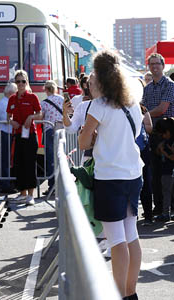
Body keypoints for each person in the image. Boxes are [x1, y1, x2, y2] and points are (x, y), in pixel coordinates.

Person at [79, 50, 143, 300]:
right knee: (131, 235)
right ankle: (130, 292)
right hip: (133, 174)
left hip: (110, 177)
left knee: (117, 239)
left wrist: (96, 136)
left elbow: (84, 142)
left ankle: (118, 295)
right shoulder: (132, 102)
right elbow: (135, 133)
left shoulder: (99, 105)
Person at [142, 53, 174, 218]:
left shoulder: (170, 85)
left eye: (157, 64)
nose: (154, 66)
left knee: (167, 174)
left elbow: (162, 109)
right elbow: (142, 109)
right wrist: (144, 115)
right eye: (152, 64)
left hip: (168, 135)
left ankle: (169, 208)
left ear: (163, 66)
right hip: (153, 134)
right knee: (155, 172)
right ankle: (160, 207)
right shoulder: (147, 88)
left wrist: (145, 115)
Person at [6, 70, 42, 205]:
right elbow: (8, 116)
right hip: (18, 135)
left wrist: (31, 117)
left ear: (27, 82)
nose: (20, 84)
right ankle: (22, 193)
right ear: (15, 83)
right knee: (18, 164)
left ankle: (31, 195)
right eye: (18, 81)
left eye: (23, 81)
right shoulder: (12, 99)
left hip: (30, 135)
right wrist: (11, 121)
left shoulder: (32, 97)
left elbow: (39, 114)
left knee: (30, 164)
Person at [40, 80, 64, 194]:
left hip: (49, 130)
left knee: (50, 159)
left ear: (47, 89)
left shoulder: (44, 103)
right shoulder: (61, 99)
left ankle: (52, 186)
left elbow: (41, 116)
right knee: (62, 157)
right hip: (61, 130)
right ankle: (62, 184)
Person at [0, 82, 17, 193]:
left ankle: (6, 182)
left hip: (5, 133)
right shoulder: (4, 103)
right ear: (10, 93)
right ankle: (5, 184)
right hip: (4, 133)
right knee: (6, 159)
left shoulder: (5, 102)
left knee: (7, 159)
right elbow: (6, 119)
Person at [152, 117, 174, 223]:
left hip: (169, 171)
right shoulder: (165, 141)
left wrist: (164, 151)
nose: (161, 136)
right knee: (166, 192)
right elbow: (157, 152)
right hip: (165, 170)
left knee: (167, 193)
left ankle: (166, 213)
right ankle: (166, 212)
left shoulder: (171, 143)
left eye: (162, 134)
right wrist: (159, 149)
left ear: (168, 132)